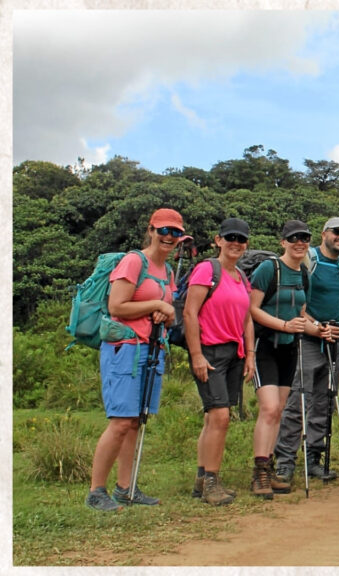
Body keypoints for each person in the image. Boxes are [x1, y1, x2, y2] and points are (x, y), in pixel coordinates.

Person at [86, 208, 183, 511]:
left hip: (152, 348)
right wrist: (155, 304)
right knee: (120, 422)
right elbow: (117, 306)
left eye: (176, 232)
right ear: (151, 230)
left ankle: (125, 488)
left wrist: (164, 313)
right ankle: (95, 491)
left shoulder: (167, 271)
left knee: (135, 422)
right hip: (125, 349)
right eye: (164, 230)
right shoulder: (134, 261)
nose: (169, 237)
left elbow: (170, 315)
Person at [272, 217, 339, 486]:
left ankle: (313, 458)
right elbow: (296, 299)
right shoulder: (309, 259)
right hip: (306, 339)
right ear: (324, 234)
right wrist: (315, 328)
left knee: (325, 401)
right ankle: (284, 461)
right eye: (337, 232)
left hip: (332, 340)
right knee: (298, 401)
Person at [184, 217, 255, 506]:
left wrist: (250, 354)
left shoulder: (241, 277)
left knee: (214, 418)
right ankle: (212, 482)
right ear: (218, 240)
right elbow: (190, 313)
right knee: (220, 417)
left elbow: (247, 317)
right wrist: (196, 354)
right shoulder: (206, 270)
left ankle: (202, 479)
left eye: (240, 239)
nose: (235, 243)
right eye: (230, 238)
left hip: (233, 353)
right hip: (210, 352)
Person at [248, 220, 311, 498]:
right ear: (283, 242)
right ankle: (260, 472)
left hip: (289, 348)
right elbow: (252, 309)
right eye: (294, 238)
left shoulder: (304, 274)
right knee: (270, 409)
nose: (300, 242)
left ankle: (269, 465)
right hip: (265, 346)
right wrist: (283, 326)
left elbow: (302, 314)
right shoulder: (268, 269)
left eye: (305, 238)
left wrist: (320, 328)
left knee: (280, 409)